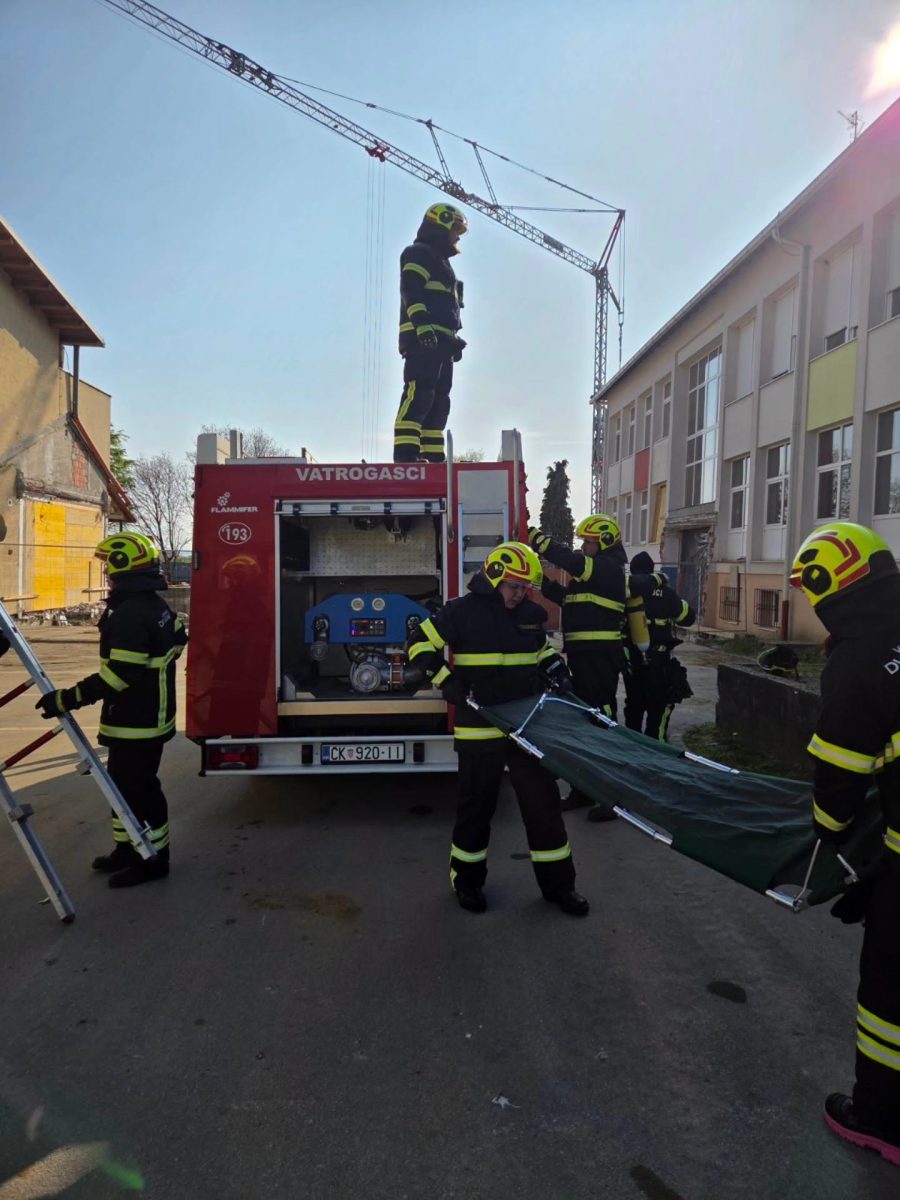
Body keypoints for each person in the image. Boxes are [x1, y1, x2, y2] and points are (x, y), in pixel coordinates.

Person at [789, 520, 900, 1166]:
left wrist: (832, 845)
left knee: (889, 994)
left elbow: (837, 781)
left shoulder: (859, 663)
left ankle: (881, 1119)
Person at [406, 541, 589, 916]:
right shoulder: (460, 612)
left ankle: (560, 887)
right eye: (515, 586)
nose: (520, 594)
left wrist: (557, 669)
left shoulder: (530, 614)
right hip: (479, 728)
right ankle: (467, 882)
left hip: (526, 727)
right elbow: (418, 643)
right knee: (476, 810)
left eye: (525, 587)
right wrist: (444, 679)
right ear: (494, 577)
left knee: (543, 809)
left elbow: (540, 651)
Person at [35, 533, 187, 889]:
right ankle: (128, 848)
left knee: (140, 790)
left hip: (137, 721)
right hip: (147, 717)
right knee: (122, 788)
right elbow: (179, 638)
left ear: (122, 567)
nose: (106, 574)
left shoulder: (131, 613)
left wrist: (68, 698)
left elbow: (120, 675)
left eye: (108, 567)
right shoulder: (153, 606)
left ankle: (154, 860)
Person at [529, 514, 650, 820]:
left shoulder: (608, 568)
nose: (583, 547)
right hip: (584, 657)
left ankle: (612, 797)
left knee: (601, 724)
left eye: (588, 542)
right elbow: (569, 600)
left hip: (599, 657)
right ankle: (583, 790)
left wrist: (538, 539)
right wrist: (541, 581)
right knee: (584, 724)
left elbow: (572, 561)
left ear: (605, 542)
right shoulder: (593, 578)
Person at [393, 202, 468, 464]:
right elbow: (411, 291)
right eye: (455, 229)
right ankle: (406, 454)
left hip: (442, 342)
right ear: (441, 225)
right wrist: (422, 325)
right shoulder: (418, 254)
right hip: (422, 338)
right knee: (420, 392)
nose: (458, 237)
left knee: (439, 400)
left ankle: (433, 455)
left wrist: (453, 340)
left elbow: (447, 308)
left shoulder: (442, 263)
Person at [623, 551, 695, 741]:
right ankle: (657, 748)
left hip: (634, 661)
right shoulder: (667, 594)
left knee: (634, 707)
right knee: (659, 708)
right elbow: (688, 618)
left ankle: (632, 746)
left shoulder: (629, 594)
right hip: (659, 662)